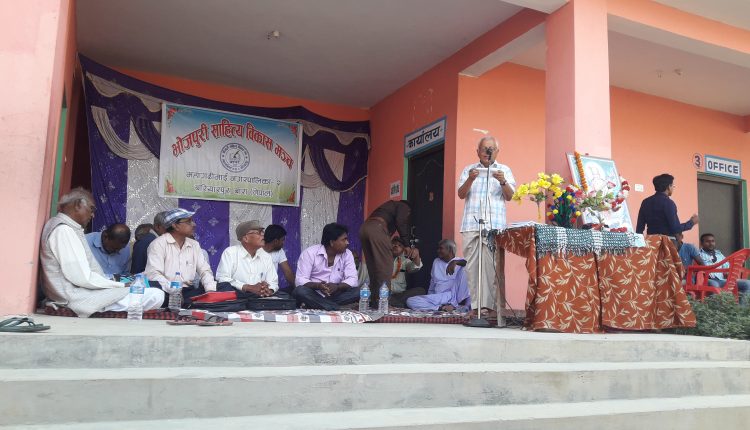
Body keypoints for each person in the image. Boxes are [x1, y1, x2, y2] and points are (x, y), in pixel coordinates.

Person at [39, 188, 164, 317]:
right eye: (91, 209)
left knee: (150, 292)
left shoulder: (66, 228)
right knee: (156, 295)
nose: (92, 215)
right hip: (77, 297)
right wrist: (119, 285)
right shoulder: (63, 230)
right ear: (78, 205)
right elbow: (82, 278)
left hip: (84, 291)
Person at [457, 136, 515, 316]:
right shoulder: (469, 170)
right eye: (484, 149)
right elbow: (461, 194)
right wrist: (470, 179)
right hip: (471, 224)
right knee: (472, 268)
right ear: (477, 151)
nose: (487, 152)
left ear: (497, 152)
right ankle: (476, 307)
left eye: (491, 149)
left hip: (494, 226)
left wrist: (503, 181)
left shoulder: (504, 170)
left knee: (491, 267)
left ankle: (489, 308)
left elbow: (510, 196)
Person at [144, 208, 217, 300]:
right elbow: (153, 274)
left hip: (188, 292)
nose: (194, 224)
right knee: (156, 295)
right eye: (189, 221)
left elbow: (205, 270)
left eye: (192, 221)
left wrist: (210, 291)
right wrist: (174, 290)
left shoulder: (194, 244)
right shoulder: (158, 244)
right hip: (166, 291)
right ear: (175, 225)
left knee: (224, 286)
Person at [359, 199, 414, 305]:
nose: (407, 216)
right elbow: (400, 221)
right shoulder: (403, 206)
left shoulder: (388, 207)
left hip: (364, 228)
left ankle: (374, 301)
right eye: (408, 214)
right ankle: (383, 302)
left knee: (373, 267)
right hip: (377, 228)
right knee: (385, 268)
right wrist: (406, 244)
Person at [294, 223, 359, 310]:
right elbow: (300, 280)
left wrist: (337, 286)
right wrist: (318, 286)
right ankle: (334, 307)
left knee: (358, 292)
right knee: (300, 291)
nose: (347, 243)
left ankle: (318, 305)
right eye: (344, 240)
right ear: (332, 242)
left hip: (335, 295)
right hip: (314, 294)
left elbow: (353, 279)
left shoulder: (347, 254)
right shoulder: (309, 253)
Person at [216, 220, 286, 298]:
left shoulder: (266, 256)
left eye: (262, 232)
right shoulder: (230, 253)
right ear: (246, 238)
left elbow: (273, 282)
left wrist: (269, 290)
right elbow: (222, 279)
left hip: (260, 299)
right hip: (238, 299)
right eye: (258, 233)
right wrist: (247, 287)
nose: (263, 235)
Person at [359, 238, 425, 308]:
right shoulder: (379, 259)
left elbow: (415, 267)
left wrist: (417, 255)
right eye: (393, 244)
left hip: (398, 295)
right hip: (381, 294)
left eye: (399, 245)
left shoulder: (404, 261)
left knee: (421, 290)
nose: (396, 246)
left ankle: (390, 303)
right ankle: (393, 303)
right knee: (368, 293)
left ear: (403, 250)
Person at [407, 239, 471, 312]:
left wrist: (455, 262)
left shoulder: (460, 262)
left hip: (454, 296)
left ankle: (460, 305)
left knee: (467, 269)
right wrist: (430, 296)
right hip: (440, 296)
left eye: (441, 248)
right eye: (438, 248)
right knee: (410, 301)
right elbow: (433, 281)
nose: (438, 251)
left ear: (450, 250)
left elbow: (470, 264)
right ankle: (441, 308)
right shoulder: (436, 261)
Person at [698, 233, 750, 303]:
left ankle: (741, 308)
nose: (711, 243)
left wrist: (729, 274)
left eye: (712, 241)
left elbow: (727, 267)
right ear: (701, 243)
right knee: (715, 286)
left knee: (747, 283)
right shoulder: (699, 254)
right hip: (707, 280)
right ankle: (716, 308)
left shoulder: (719, 254)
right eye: (707, 241)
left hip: (721, 280)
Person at [262, 224, 296, 288]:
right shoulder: (256, 250)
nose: (283, 243)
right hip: (257, 289)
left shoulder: (279, 251)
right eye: (282, 240)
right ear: (275, 241)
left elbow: (288, 273)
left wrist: (298, 288)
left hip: (273, 289)